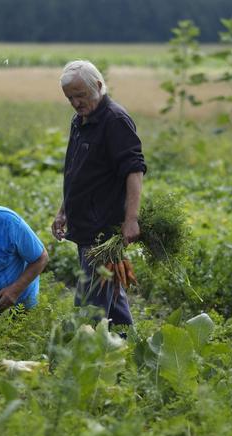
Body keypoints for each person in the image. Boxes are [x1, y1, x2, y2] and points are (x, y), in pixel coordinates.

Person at [51, 60, 146, 327]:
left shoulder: (115, 120)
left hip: (103, 229)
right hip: (85, 225)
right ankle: (126, 350)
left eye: (80, 95)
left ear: (99, 86)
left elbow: (134, 171)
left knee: (90, 304)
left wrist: (131, 218)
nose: (76, 103)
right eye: (70, 98)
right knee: (111, 299)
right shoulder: (80, 121)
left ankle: (86, 358)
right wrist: (63, 210)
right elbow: (76, 172)